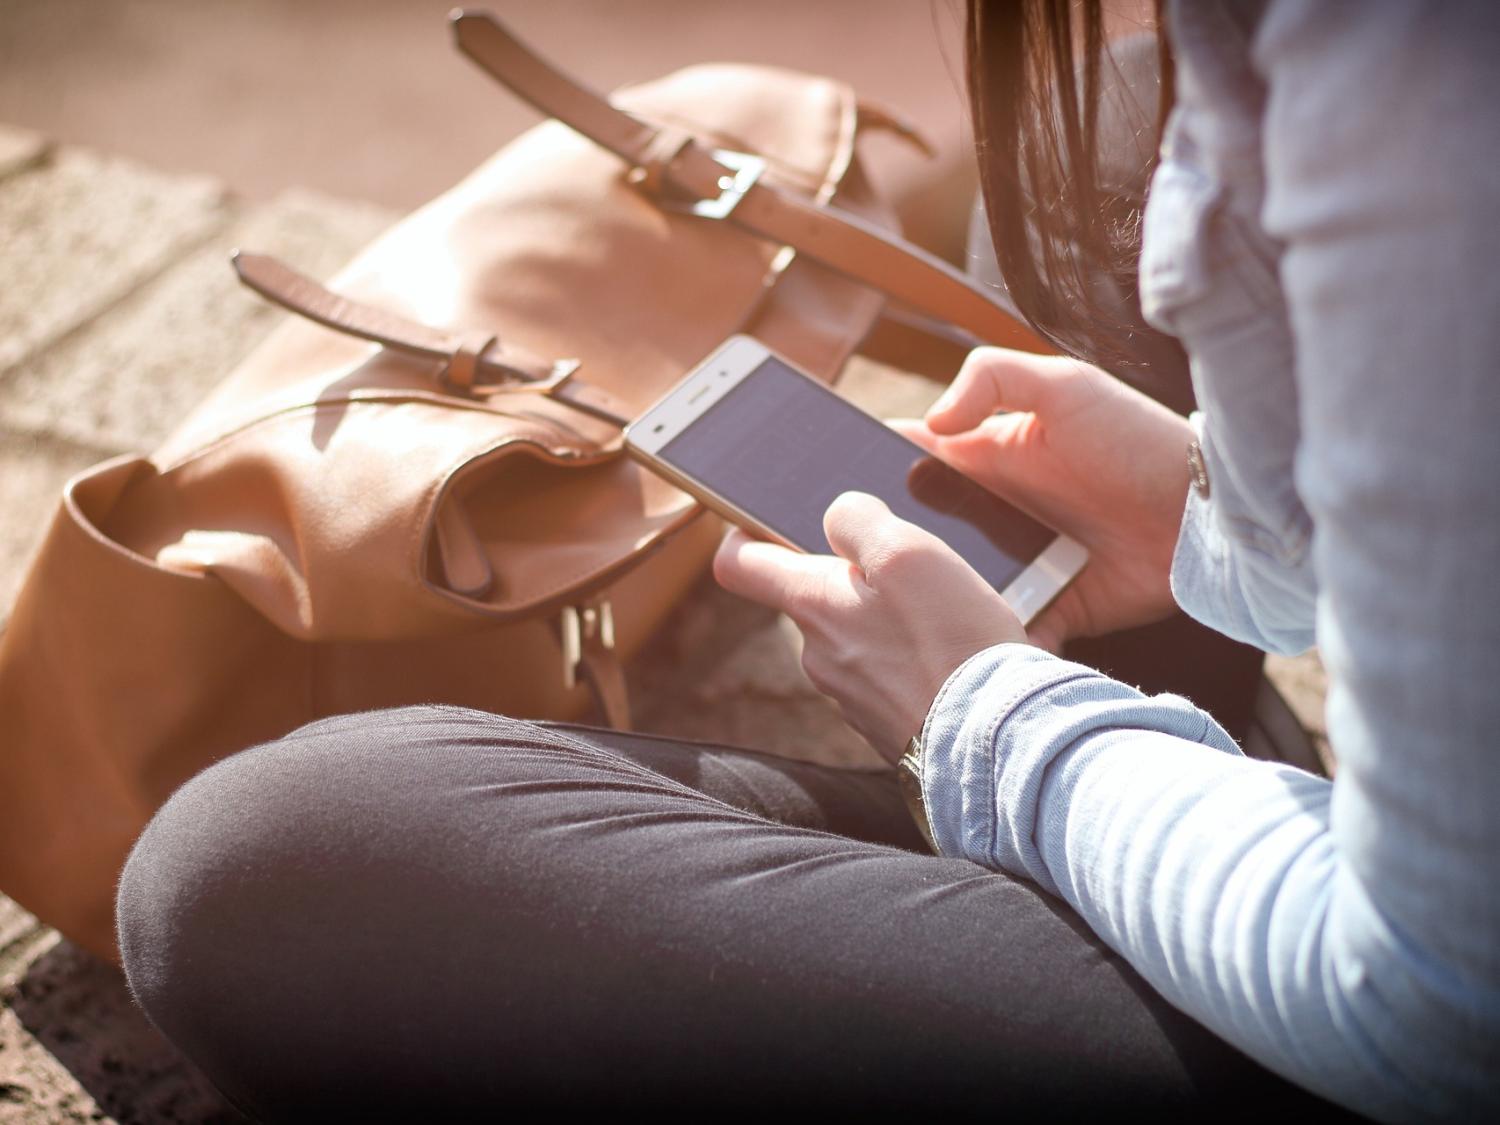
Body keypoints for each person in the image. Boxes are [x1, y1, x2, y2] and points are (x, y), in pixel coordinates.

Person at [115, 2, 1498, 1121]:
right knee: (1109, 136)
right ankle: (1155, 807)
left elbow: (1432, 1006)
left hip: (1402, 1019)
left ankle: (1098, 842)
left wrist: (995, 721)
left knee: (264, 870)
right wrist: (1219, 523)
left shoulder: (1401, 103)